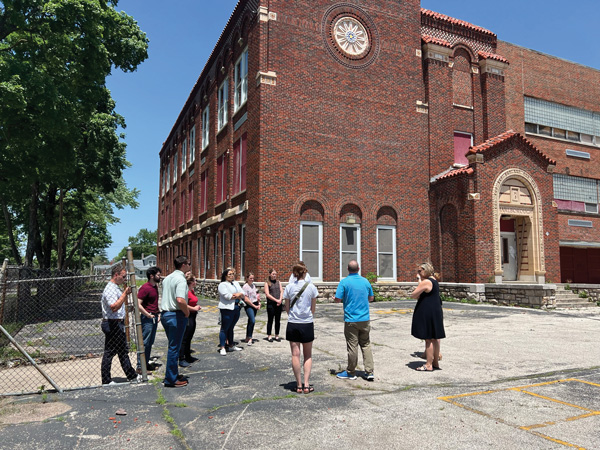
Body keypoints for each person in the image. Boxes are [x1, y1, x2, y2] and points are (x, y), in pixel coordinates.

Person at [334, 260, 375, 381]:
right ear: (359, 268)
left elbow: (337, 299)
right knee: (366, 344)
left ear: (348, 269)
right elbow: (371, 298)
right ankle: (369, 371)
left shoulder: (344, 282)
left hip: (351, 319)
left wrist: (335, 298)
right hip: (365, 318)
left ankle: (351, 372)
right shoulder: (365, 281)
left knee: (352, 346)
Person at [283, 262, 318, 394]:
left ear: (294, 273)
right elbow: (313, 308)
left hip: (293, 322)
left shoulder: (289, 287)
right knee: (308, 354)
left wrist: (293, 315)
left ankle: (298, 384)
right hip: (307, 322)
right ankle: (307, 384)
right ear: (305, 272)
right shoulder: (312, 287)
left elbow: (286, 307)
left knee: (295, 354)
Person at [100, 265, 138, 385]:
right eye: (123, 276)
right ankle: (106, 380)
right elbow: (114, 307)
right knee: (110, 352)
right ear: (116, 275)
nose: (125, 279)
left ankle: (132, 376)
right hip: (112, 324)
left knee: (122, 351)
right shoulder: (110, 289)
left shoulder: (115, 287)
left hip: (116, 323)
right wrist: (125, 294)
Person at [160, 256, 190, 387]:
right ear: (183, 265)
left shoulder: (167, 278)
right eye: (188, 263)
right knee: (174, 348)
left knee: (173, 346)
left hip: (166, 314)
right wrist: (187, 312)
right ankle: (171, 379)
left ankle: (172, 373)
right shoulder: (181, 279)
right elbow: (180, 299)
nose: (189, 265)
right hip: (175, 315)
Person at [411, 262, 445, 371]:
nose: (418, 273)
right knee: (435, 338)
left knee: (428, 339)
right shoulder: (434, 281)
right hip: (435, 311)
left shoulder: (425, 282)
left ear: (426, 271)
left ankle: (428, 364)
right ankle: (435, 362)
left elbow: (413, 295)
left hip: (427, 312)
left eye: (420, 271)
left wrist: (419, 281)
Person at [136, 266, 162, 374]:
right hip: (147, 319)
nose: (160, 277)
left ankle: (145, 364)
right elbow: (137, 304)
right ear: (151, 276)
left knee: (150, 342)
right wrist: (147, 314)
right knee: (145, 342)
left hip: (154, 317)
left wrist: (158, 312)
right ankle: (140, 366)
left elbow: (153, 303)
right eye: (158, 275)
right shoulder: (145, 288)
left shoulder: (155, 287)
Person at [218, 268, 245, 355]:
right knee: (225, 328)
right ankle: (222, 347)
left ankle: (231, 345)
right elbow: (228, 296)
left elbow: (243, 293)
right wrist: (238, 295)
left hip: (236, 307)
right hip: (227, 308)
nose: (231, 276)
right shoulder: (223, 284)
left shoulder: (236, 283)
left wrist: (238, 295)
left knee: (231, 327)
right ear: (225, 275)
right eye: (229, 274)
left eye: (232, 274)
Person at [179, 273, 201, 366]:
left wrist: (195, 307)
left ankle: (188, 355)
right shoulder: (186, 291)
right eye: (195, 280)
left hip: (193, 316)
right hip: (187, 315)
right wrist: (194, 308)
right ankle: (181, 358)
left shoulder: (191, 291)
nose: (196, 282)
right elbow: (184, 304)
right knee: (185, 337)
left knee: (189, 337)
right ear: (191, 282)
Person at [242, 272, 261, 345]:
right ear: (247, 278)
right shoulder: (245, 287)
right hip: (249, 305)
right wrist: (254, 306)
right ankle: (250, 338)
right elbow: (246, 299)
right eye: (250, 278)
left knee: (250, 321)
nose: (252, 280)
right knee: (252, 320)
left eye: (253, 278)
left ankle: (248, 336)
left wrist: (259, 303)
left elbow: (257, 296)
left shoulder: (254, 286)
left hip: (255, 303)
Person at [264, 268, 283, 342]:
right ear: (270, 274)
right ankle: (269, 335)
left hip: (278, 304)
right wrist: (276, 300)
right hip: (271, 304)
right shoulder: (267, 283)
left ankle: (277, 335)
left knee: (278, 320)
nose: (274, 275)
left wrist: (280, 299)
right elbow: (267, 294)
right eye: (273, 274)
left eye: (275, 274)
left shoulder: (278, 282)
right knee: (270, 320)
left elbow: (281, 291)